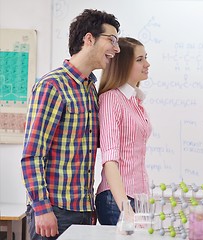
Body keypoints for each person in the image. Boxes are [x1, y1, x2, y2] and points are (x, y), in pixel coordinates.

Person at [21, 9, 120, 239]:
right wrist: (42, 208)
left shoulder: (90, 89)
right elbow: (32, 155)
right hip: (54, 211)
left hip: (83, 211)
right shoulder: (52, 85)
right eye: (112, 40)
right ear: (89, 39)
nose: (116, 48)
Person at [95, 37, 152, 225]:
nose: (147, 64)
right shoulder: (112, 99)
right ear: (123, 65)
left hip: (136, 198)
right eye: (139, 60)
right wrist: (126, 209)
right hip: (117, 200)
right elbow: (110, 160)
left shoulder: (135, 102)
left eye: (146, 58)